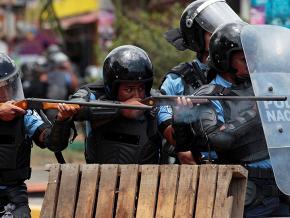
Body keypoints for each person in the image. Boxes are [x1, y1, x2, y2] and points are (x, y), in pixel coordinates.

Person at [180, 22, 290, 217]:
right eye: (244, 58)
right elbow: (217, 140)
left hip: (283, 186)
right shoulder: (209, 95)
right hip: (245, 189)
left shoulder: (266, 87)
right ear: (224, 60)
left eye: (254, 56)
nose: (251, 63)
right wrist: (254, 114)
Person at [158, 0, 243, 164]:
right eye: (213, 34)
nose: (221, 39)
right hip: (195, 167)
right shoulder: (177, 78)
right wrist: (185, 148)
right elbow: (166, 126)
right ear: (196, 37)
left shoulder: (240, 73)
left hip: (241, 161)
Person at [51, 45, 162, 164]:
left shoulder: (156, 100)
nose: (137, 95)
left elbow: (172, 133)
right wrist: (121, 110)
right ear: (113, 87)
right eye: (129, 90)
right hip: (98, 177)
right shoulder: (92, 93)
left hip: (147, 179)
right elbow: (77, 107)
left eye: (141, 88)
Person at [0, 53, 77, 217]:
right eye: (0, 89)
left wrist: (62, 120)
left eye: (8, 86)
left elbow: (51, 141)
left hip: (12, 197)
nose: (5, 93)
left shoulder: (23, 113)